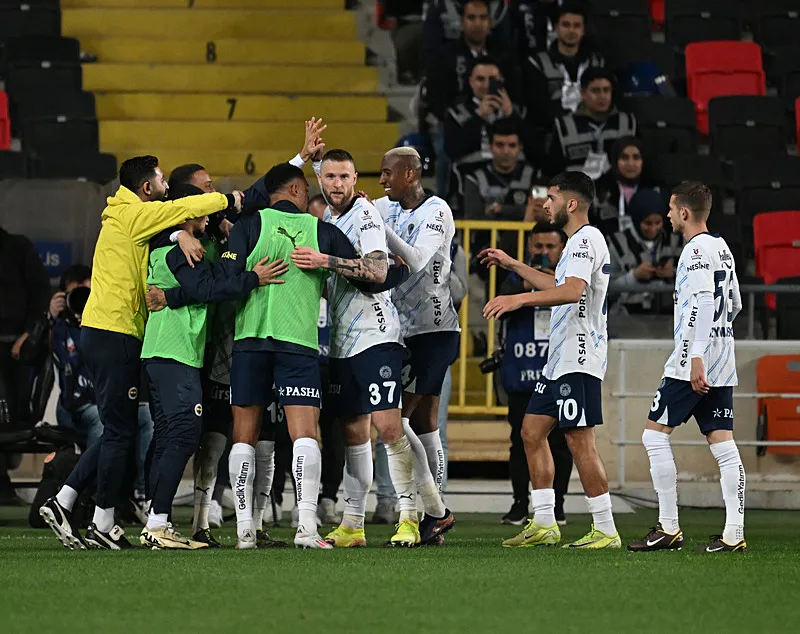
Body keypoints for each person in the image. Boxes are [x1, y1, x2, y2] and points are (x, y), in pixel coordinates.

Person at [39, 155, 242, 550]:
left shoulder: (130, 217)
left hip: (112, 330)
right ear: (147, 188)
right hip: (115, 330)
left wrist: (175, 234)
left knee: (121, 428)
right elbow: (183, 209)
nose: (166, 187)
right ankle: (92, 514)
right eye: (162, 181)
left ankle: (79, 508)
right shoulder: (136, 214)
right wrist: (230, 200)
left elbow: (162, 227)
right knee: (120, 430)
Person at [219, 161, 402, 549]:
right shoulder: (323, 231)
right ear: (299, 190)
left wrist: (253, 279)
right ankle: (306, 527)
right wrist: (398, 270)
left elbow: (225, 284)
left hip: (249, 341)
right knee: (305, 434)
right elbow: (371, 276)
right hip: (298, 344)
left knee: (244, 436)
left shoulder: (247, 227)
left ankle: (244, 531)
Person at [139, 184, 286, 550]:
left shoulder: (179, 244)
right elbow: (208, 289)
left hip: (173, 351)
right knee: (184, 434)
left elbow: (205, 284)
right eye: (203, 212)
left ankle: (157, 521)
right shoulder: (178, 248)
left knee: (174, 435)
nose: (209, 218)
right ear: (186, 214)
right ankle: (156, 522)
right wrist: (253, 278)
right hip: (173, 352)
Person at [482, 171, 621, 549]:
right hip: (559, 360)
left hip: (578, 357)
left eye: (553, 198)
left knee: (579, 442)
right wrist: (513, 265)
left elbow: (572, 292)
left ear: (571, 204)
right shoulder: (578, 242)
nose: (546, 204)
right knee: (531, 431)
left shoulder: (586, 239)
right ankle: (544, 523)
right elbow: (558, 284)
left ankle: (606, 529)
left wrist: (516, 299)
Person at [291, 148, 420, 548]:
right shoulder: (331, 217)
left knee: (388, 427)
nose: (337, 185)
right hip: (344, 342)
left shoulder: (364, 216)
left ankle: (409, 516)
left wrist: (325, 261)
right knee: (352, 432)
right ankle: (352, 523)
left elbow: (379, 270)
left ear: (354, 179)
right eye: (329, 177)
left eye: (345, 177)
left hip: (376, 336)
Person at [628, 182, 746, 554]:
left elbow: (704, 302)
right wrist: (717, 343)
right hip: (724, 352)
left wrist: (695, 355)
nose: (666, 215)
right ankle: (733, 533)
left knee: (653, 435)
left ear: (683, 213)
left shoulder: (694, 250)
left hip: (694, 357)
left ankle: (668, 527)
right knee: (723, 443)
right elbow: (736, 303)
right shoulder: (722, 247)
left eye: (670, 209)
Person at [374, 146, 457, 544]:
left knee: (398, 422)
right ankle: (433, 517)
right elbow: (347, 203)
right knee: (423, 425)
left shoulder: (437, 211)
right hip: (402, 330)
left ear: (410, 174)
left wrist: (377, 224)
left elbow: (418, 259)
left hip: (434, 330)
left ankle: (433, 510)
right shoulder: (387, 207)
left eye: (388, 173)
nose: (382, 180)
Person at [497, 223, 573, 526]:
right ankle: (520, 503)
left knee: (562, 442)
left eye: (550, 247)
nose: (543, 253)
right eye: (538, 247)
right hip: (522, 373)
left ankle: (558, 504)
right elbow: (503, 303)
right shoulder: (516, 278)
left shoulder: (572, 278)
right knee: (521, 439)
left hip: (559, 371)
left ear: (562, 248)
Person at [306, 193, 344, 527]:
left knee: (334, 434)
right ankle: (298, 501)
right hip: (304, 360)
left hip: (334, 361)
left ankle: (329, 497)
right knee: (299, 433)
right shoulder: (299, 262)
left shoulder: (341, 264)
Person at [425, 0, 512, 123]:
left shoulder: (503, 56)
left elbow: (516, 95)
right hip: (457, 127)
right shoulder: (445, 56)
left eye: (483, 18)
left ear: (490, 23)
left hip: (499, 125)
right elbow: (438, 102)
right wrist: (474, 115)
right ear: (462, 23)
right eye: (471, 18)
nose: (477, 24)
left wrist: (508, 112)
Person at [444, 57, 531, 174]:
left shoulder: (519, 110)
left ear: (501, 80)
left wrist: (511, 115)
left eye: (492, 79)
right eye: (480, 79)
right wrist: (478, 117)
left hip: (515, 172)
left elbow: (533, 151)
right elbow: (453, 150)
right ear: (471, 82)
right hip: (471, 172)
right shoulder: (456, 113)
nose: (486, 85)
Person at [547, 68, 636, 181]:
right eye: (595, 91)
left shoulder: (628, 123)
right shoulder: (564, 126)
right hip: (578, 194)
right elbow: (553, 170)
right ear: (582, 93)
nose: (602, 96)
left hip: (619, 193)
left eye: (606, 90)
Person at [524, 1, 605, 124]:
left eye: (577, 25)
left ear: (583, 30)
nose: (571, 30)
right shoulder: (537, 63)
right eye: (566, 25)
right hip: (553, 131)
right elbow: (537, 108)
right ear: (556, 28)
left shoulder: (597, 62)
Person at [49, 265, 101, 447]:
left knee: (146, 418)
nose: (81, 301)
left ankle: (139, 477)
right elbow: (36, 354)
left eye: (86, 294)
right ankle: (94, 476)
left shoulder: (107, 324)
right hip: (73, 406)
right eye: (75, 295)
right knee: (102, 421)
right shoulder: (59, 328)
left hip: (104, 401)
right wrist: (51, 317)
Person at [607, 188, 681, 315]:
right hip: (627, 316)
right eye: (647, 223)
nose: (653, 229)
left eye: (658, 223)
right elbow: (606, 287)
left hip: (670, 313)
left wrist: (674, 273)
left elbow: (694, 280)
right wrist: (633, 276)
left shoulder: (676, 241)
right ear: (636, 220)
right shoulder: (616, 243)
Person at [461, 119, 540, 221]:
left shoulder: (534, 176)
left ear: (520, 148)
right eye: (500, 145)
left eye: (512, 145)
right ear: (490, 148)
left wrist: (501, 209)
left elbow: (539, 212)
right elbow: (472, 218)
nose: (506, 151)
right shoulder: (474, 178)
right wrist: (521, 211)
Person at [593, 136, 658, 236]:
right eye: (624, 158)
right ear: (615, 161)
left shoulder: (654, 190)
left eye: (636, 157)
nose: (630, 163)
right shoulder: (599, 190)